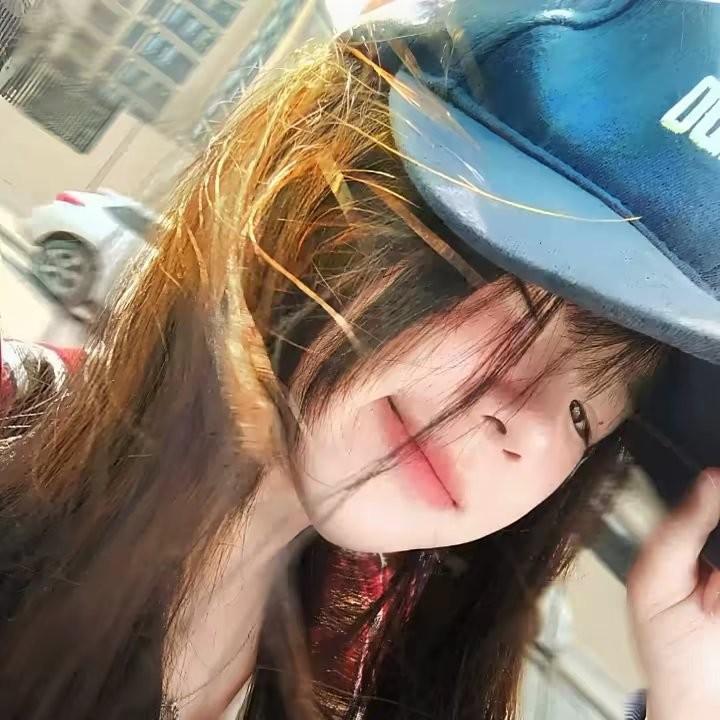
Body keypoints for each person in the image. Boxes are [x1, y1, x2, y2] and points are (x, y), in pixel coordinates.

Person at [0, 2, 719, 719]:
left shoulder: (362, 663)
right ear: (331, 199)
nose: (527, 426)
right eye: (525, 303)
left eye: (584, 416)